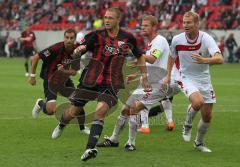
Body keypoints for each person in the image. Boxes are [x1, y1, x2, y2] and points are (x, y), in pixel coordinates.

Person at [51, 7, 151, 161]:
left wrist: (144, 77)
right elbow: (79, 49)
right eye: (105, 17)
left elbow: (140, 56)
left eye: (110, 18)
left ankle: (90, 148)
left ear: (118, 20)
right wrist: (79, 50)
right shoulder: (96, 35)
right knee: (73, 111)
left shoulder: (128, 38)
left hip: (112, 82)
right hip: (91, 78)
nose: (107, 20)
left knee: (101, 111)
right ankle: (62, 124)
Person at [97, 15, 179, 151]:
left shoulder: (159, 40)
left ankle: (131, 143)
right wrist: (135, 74)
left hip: (159, 84)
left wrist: (134, 52)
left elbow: (152, 59)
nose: (143, 28)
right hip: (148, 82)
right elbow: (147, 63)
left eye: (146, 26)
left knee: (134, 108)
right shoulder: (151, 43)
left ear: (154, 27)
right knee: (125, 109)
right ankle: (114, 139)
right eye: (142, 26)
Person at [164, 11, 224, 152]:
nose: (185, 25)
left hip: (204, 78)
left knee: (207, 116)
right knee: (198, 102)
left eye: (189, 22)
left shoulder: (206, 38)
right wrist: (167, 75)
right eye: (184, 22)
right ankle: (187, 124)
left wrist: (205, 60)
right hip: (185, 76)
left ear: (197, 24)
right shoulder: (177, 39)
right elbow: (172, 57)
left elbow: (220, 59)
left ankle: (198, 143)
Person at [28, 28, 90, 135]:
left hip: (64, 79)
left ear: (75, 39)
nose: (69, 40)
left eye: (71, 38)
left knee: (78, 102)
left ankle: (82, 128)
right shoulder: (56, 48)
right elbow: (35, 58)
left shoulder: (76, 51)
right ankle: (40, 103)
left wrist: (64, 71)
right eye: (67, 38)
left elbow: (74, 72)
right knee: (50, 110)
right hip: (51, 79)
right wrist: (32, 76)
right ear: (64, 38)